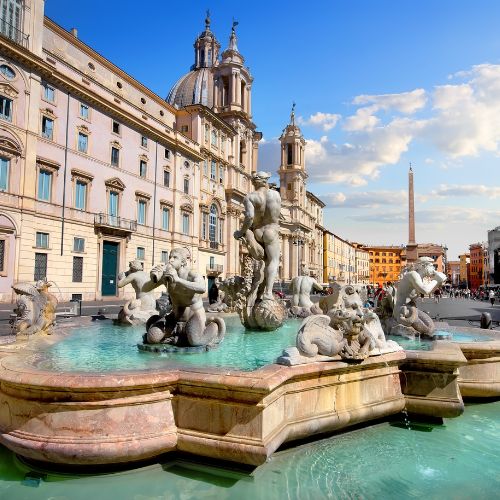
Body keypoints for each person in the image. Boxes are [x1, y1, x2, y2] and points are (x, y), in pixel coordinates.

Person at [234, 171, 281, 301]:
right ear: (266, 181)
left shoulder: (250, 197)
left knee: (263, 261)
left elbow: (249, 217)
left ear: (254, 182)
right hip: (271, 230)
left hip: (258, 231)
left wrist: (241, 231)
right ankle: (268, 293)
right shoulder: (276, 195)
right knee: (273, 261)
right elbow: (276, 214)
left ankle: (257, 291)